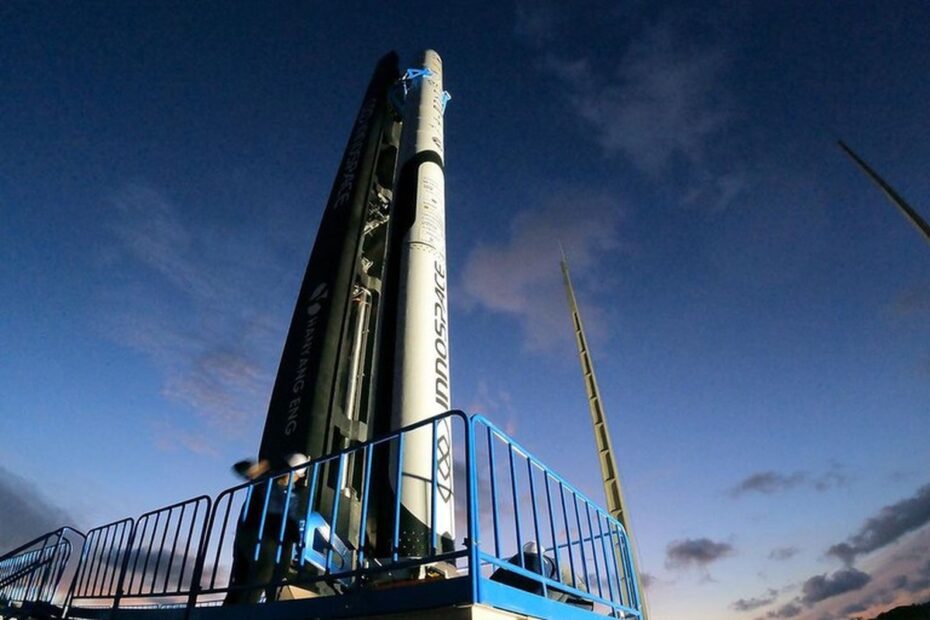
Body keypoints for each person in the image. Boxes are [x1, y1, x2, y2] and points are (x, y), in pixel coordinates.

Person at [223, 453, 308, 605]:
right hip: (254, 534)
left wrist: (294, 538)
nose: (293, 477)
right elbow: (240, 468)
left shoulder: (293, 494)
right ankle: (242, 611)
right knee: (257, 573)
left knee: (270, 574)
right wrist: (254, 469)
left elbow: (290, 520)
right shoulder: (267, 480)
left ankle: (260, 606)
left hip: (270, 538)